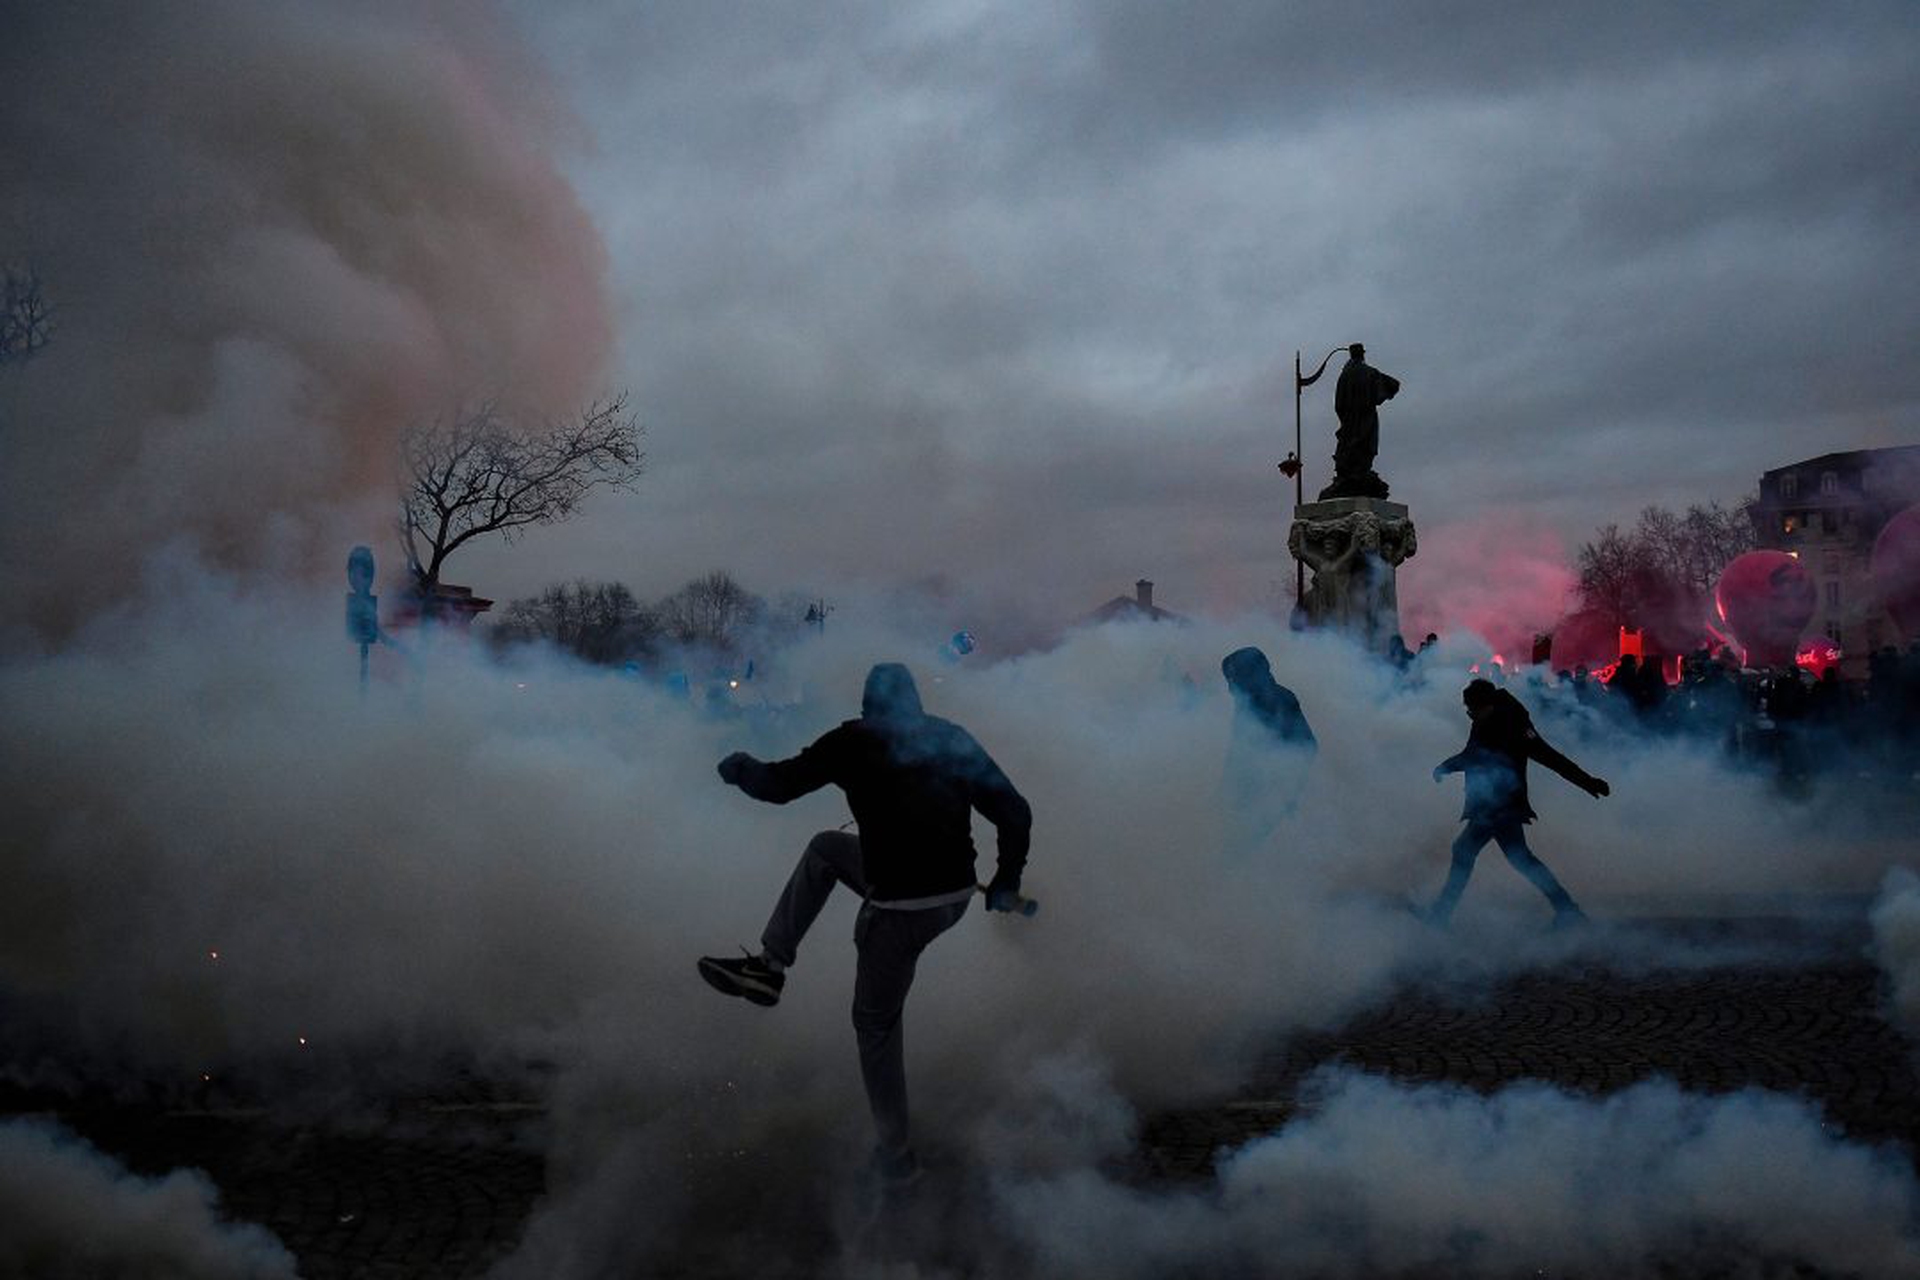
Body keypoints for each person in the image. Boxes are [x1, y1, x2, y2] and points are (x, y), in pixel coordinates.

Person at [697, 663, 1032, 1182]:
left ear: (867, 706)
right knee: (827, 849)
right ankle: (769, 965)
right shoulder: (949, 736)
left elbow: (779, 786)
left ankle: (897, 1160)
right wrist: (1005, 880)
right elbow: (1015, 811)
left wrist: (739, 766)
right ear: (916, 701)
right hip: (955, 895)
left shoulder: (853, 741)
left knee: (875, 1026)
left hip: (900, 909)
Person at [1420, 678, 1610, 928]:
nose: (1470, 715)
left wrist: (1587, 782)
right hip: (1492, 803)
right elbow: (1474, 754)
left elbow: (1548, 756)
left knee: (1468, 851)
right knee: (1519, 859)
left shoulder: (1513, 725)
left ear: (1486, 704)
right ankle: (1567, 910)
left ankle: (1440, 916)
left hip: (1500, 805)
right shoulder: (1486, 720)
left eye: (1472, 710)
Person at [1219, 647, 1317, 855]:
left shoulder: (1277, 700)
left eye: (1233, 679)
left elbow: (1307, 745)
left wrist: (1285, 789)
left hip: (1273, 796)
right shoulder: (1252, 701)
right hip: (1255, 794)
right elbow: (1241, 748)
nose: (1230, 688)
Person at [1321, 342, 1401, 499]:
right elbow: (1393, 385)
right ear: (1362, 354)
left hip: (1349, 421)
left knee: (1349, 446)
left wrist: (1345, 417)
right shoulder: (1370, 372)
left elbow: (1338, 403)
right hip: (1366, 417)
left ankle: (1351, 476)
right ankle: (1359, 475)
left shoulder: (1344, 376)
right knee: (1365, 446)